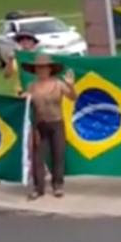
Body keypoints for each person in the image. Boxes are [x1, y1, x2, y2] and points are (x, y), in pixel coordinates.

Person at [21, 53, 76, 200]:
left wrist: (71, 85)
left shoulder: (59, 84)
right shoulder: (31, 86)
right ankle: (38, 188)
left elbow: (73, 97)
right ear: (35, 70)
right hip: (39, 126)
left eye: (44, 68)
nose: (42, 71)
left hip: (57, 123)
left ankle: (57, 185)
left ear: (50, 69)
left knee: (58, 156)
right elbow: (26, 105)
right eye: (38, 68)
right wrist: (24, 98)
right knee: (38, 158)